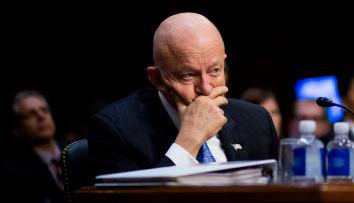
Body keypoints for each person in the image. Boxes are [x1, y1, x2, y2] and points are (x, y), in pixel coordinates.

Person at [89, 13, 278, 176]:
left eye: (215, 70)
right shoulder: (116, 128)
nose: (206, 88)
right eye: (188, 75)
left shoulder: (257, 120)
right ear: (157, 79)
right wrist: (189, 141)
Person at [1, 90, 70, 203]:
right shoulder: (12, 174)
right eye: (31, 114)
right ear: (17, 129)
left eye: (44, 110)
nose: (41, 117)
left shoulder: (76, 151)